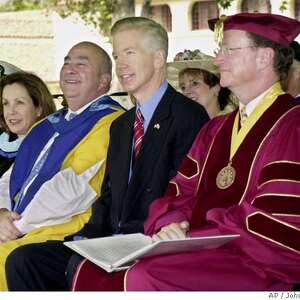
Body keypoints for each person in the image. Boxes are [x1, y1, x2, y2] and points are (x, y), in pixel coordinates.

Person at [46, 12, 300, 291]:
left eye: (229, 50)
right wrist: (174, 223)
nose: (218, 60)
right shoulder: (216, 129)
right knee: (92, 270)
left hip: (260, 264)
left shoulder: (292, 125)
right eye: (220, 51)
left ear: (264, 57)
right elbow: (180, 191)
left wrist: (197, 232)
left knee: (143, 275)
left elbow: (280, 222)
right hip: (203, 249)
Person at [5, 17, 209, 291]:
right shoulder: (123, 125)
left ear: (159, 58)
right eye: (116, 55)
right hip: (109, 240)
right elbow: (109, 194)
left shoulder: (188, 116)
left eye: (130, 53)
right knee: (25, 260)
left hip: (151, 239)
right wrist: (84, 239)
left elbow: (185, 194)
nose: (121, 65)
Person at [0, 41, 124, 290]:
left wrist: (15, 226)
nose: (70, 68)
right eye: (67, 62)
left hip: (58, 230)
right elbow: (9, 180)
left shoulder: (111, 122)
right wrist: (1, 214)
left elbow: (75, 187)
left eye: (81, 64)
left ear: (103, 81)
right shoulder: (45, 126)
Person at [0, 72, 56, 177]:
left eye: (19, 102)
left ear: (39, 108)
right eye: (5, 103)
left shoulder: (50, 150)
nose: (11, 111)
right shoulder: (2, 139)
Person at [167, 49, 236, 118]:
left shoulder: (231, 123)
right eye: (183, 87)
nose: (186, 92)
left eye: (194, 83)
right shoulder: (187, 125)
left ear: (216, 87)